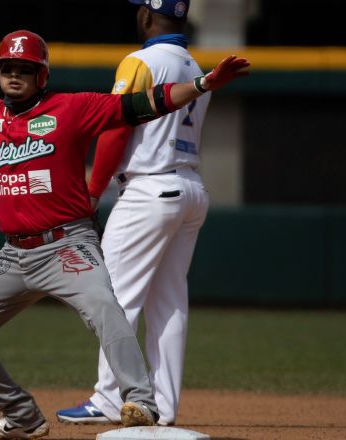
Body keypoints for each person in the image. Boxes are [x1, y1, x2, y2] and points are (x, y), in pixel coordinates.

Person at [0, 29, 247, 440]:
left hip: (67, 245)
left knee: (107, 308)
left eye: (25, 69)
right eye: (7, 68)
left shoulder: (71, 108)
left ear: (43, 75)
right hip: (13, 255)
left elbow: (142, 104)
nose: (14, 75)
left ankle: (141, 401)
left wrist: (202, 85)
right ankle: (22, 415)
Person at [56, 0, 212, 428]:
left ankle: (110, 398)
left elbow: (115, 126)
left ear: (146, 16)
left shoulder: (141, 61)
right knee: (170, 303)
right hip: (191, 188)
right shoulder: (199, 68)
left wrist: (91, 191)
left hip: (148, 189)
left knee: (113, 296)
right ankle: (163, 406)